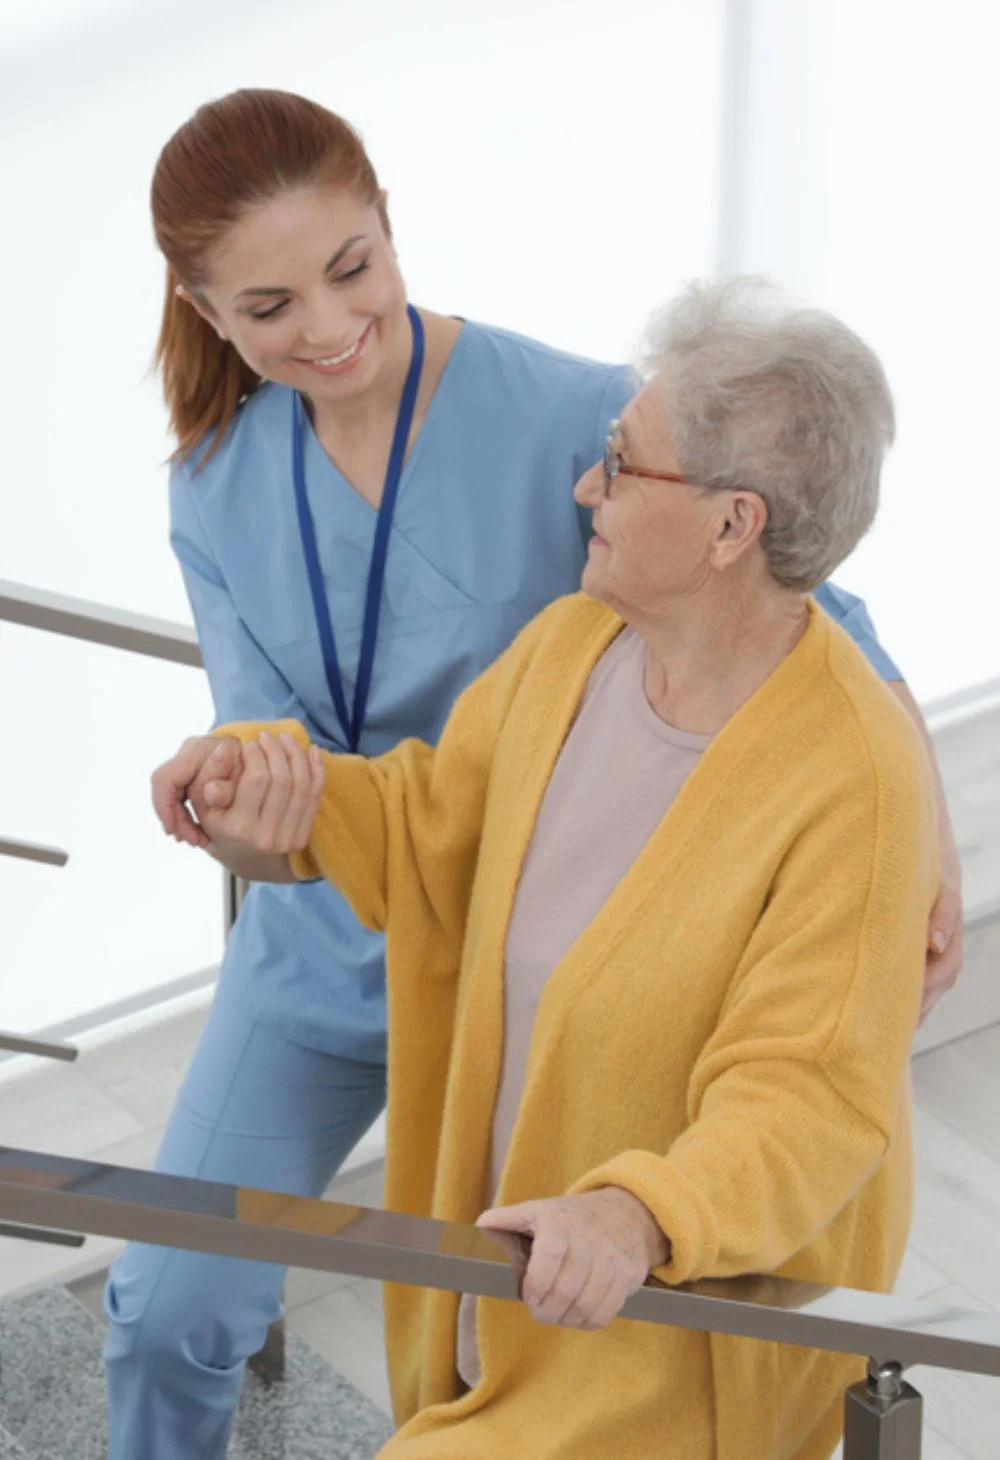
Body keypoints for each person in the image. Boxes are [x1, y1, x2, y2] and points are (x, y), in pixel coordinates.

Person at [108, 87, 961, 1459]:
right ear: (210, 317)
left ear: (389, 229)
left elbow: (814, 613)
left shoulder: (591, 420)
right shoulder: (218, 489)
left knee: (527, 1348)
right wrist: (241, 802)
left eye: (350, 271)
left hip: (556, 972)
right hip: (342, 937)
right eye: (268, 310)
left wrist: (923, 833)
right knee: (163, 1306)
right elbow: (296, 779)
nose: (326, 331)